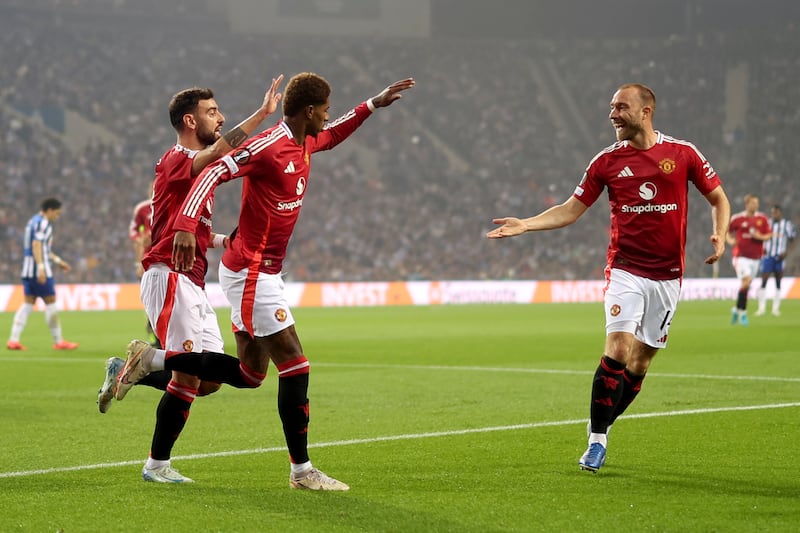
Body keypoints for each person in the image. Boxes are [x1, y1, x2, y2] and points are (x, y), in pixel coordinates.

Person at [119, 73, 415, 490]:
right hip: (249, 272)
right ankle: (302, 472)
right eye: (325, 110)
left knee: (247, 375)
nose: (327, 118)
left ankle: (150, 362)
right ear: (310, 111)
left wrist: (372, 104)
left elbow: (333, 134)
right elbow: (212, 171)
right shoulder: (268, 145)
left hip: (262, 271)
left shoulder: (306, 141)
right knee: (295, 364)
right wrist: (185, 223)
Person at [487, 83, 730, 473]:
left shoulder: (683, 154)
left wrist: (722, 232)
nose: (613, 114)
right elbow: (570, 210)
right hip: (626, 269)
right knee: (618, 347)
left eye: (621, 107)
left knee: (641, 362)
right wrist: (527, 225)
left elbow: (719, 197)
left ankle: (601, 421)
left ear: (645, 111)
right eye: (611, 107)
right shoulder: (606, 162)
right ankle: (597, 440)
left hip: (667, 277)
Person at [103, 76, 284, 482]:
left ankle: (135, 366)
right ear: (190, 120)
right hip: (168, 274)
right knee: (187, 376)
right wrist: (264, 114)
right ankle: (157, 465)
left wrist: (225, 239)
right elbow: (224, 148)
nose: (220, 118)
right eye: (212, 111)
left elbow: (196, 227)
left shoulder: (195, 173)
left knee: (206, 382)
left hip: (194, 280)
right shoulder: (176, 159)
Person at [7, 198, 79, 351]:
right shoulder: (44, 223)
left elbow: (43, 248)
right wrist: (40, 267)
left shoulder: (33, 221)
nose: (57, 217)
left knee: (28, 304)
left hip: (27, 270)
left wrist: (58, 261)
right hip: (38, 270)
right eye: (57, 214)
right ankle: (59, 341)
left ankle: (13, 340)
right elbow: (37, 245)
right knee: (51, 303)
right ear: (50, 210)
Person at [726, 194, 771, 325]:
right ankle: (743, 314)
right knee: (746, 282)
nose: (756, 205)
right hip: (741, 257)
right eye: (753, 203)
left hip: (756, 258)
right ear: (747, 204)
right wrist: (730, 240)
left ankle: (736, 309)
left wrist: (759, 236)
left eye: (757, 203)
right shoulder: (738, 218)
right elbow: (726, 231)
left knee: (746, 286)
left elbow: (768, 235)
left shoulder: (762, 218)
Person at [130, 183, 160, 347]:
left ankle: (162, 335)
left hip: (167, 259)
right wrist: (140, 239)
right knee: (151, 299)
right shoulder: (142, 209)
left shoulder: (171, 204)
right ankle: (153, 333)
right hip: (148, 260)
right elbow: (134, 231)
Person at [756, 204, 796, 316]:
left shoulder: (786, 225)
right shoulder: (767, 223)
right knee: (764, 281)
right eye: (773, 213)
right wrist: (761, 249)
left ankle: (775, 309)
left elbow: (793, 239)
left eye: (776, 212)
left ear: (780, 213)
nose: (774, 214)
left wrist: (786, 252)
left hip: (780, 257)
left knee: (778, 282)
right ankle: (761, 308)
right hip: (768, 256)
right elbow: (759, 236)